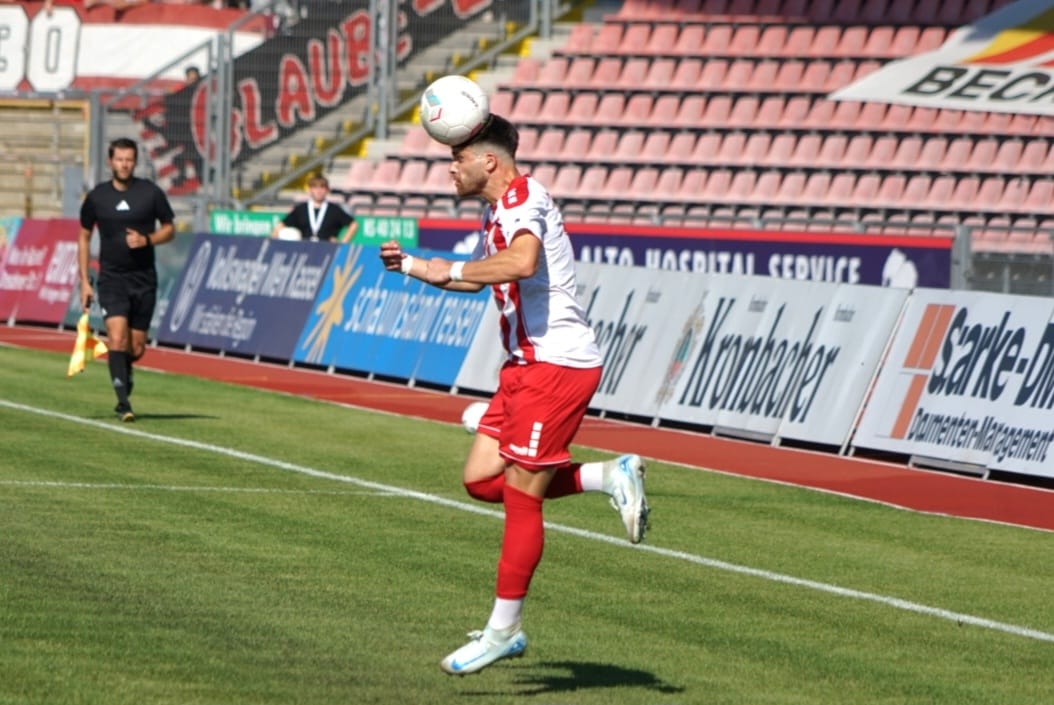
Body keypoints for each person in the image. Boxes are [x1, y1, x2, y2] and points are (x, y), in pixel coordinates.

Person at [379, 114, 650, 676]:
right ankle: (606, 475)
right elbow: (480, 277)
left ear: (489, 161)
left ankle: (504, 631)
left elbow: (521, 262)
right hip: (524, 367)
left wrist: (451, 266)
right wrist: (412, 266)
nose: (451, 168)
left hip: (556, 366)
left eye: (458, 159)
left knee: (523, 498)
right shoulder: (498, 209)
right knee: (482, 481)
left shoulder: (525, 198)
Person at [78, 137, 176, 422]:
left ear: (135, 162)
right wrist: (84, 280)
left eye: (129, 160)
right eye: (119, 159)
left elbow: (169, 229)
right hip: (112, 279)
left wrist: (148, 239)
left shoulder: (150, 193)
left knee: (136, 348)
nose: (124, 164)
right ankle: (123, 403)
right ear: (111, 162)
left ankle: (124, 369)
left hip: (144, 279)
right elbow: (84, 237)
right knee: (117, 338)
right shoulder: (97, 197)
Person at [270, 174, 355, 242]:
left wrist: (342, 243)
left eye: (322, 187)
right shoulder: (301, 209)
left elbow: (353, 225)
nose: (319, 191)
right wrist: (272, 241)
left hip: (327, 249)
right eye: (315, 187)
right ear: (310, 190)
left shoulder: (334, 210)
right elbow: (280, 226)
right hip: (304, 249)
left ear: (327, 190)